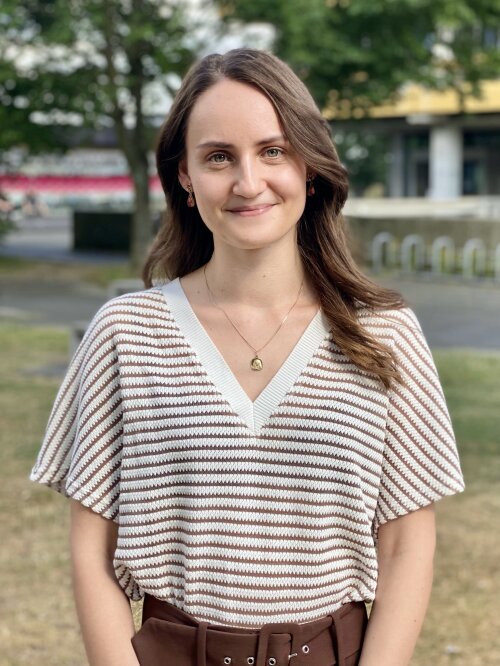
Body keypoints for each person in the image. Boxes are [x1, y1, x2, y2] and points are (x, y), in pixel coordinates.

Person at [31, 48, 464, 666]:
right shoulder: (125, 333)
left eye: (273, 151)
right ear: (184, 176)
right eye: (218, 157)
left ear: (309, 166)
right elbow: (91, 551)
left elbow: (406, 548)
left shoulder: (384, 334)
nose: (248, 182)